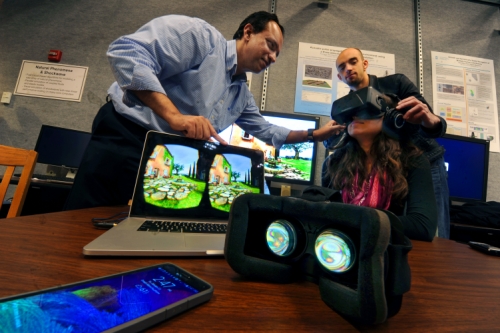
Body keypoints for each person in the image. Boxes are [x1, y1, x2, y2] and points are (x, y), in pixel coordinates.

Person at [64, 12, 342, 210]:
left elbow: (268, 131)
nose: (272, 57)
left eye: (277, 54)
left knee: (133, 229)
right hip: (126, 138)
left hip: (166, 156)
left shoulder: (241, 94)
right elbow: (127, 52)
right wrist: (175, 116)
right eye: (270, 45)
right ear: (247, 32)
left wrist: (316, 134)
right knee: (83, 222)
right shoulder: (201, 38)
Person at [326, 47, 449, 239]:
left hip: (418, 158)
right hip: (372, 158)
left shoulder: (396, 84)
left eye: (353, 62)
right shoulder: (347, 107)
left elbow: (431, 122)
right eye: (342, 67)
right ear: (339, 77)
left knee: (435, 232)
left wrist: (430, 120)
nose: (348, 69)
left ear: (364, 64)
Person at [322, 93, 438, 242]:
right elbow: (326, 217)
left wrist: (353, 219)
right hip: (339, 250)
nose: (354, 117)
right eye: (351, 113)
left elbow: (423, 226)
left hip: (386, 251)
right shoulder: (334, 163)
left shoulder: (412, 160)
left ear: (390, 117)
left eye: (364, 110)